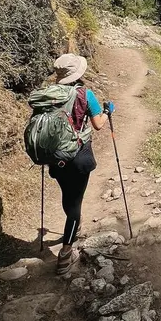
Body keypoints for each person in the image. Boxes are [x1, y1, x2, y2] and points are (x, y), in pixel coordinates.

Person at [50, 53, 113, 275]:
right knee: (76, 205)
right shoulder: (85, 94)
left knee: (68, 197)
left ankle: (72, 225)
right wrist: (107, 111)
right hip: (77, 157)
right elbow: (98, 125)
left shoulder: (49, 94)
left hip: (55, 156)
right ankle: (65, 254)